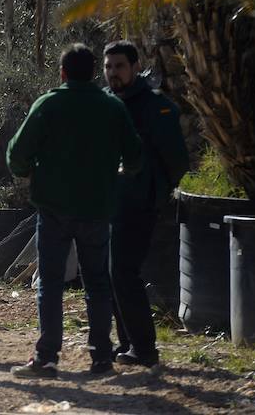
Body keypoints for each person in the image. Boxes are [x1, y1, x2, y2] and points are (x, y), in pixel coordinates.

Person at [7, 44, 143, 378]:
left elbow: (17, 154)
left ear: (63, 73)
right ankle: (102, 358)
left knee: (51, 282)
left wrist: (30, 172)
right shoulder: (112, 107)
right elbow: (135, 157)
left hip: (53, 209)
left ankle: (47, 358)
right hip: (96, 209)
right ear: (95, 72)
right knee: (97, 283)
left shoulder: (49, 104)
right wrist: (116, 174)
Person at [104, 40, 189, 367]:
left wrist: (157, 189)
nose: (113, 73)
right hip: (110, 204)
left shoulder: (155, 106)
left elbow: (176, 158)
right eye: (108, 67)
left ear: (135, 67)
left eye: (120, 66)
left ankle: (143, 348)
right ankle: (128, 343)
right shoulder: (107, 102)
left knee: (124, 272)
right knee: (113, 273)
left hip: (139, 204)